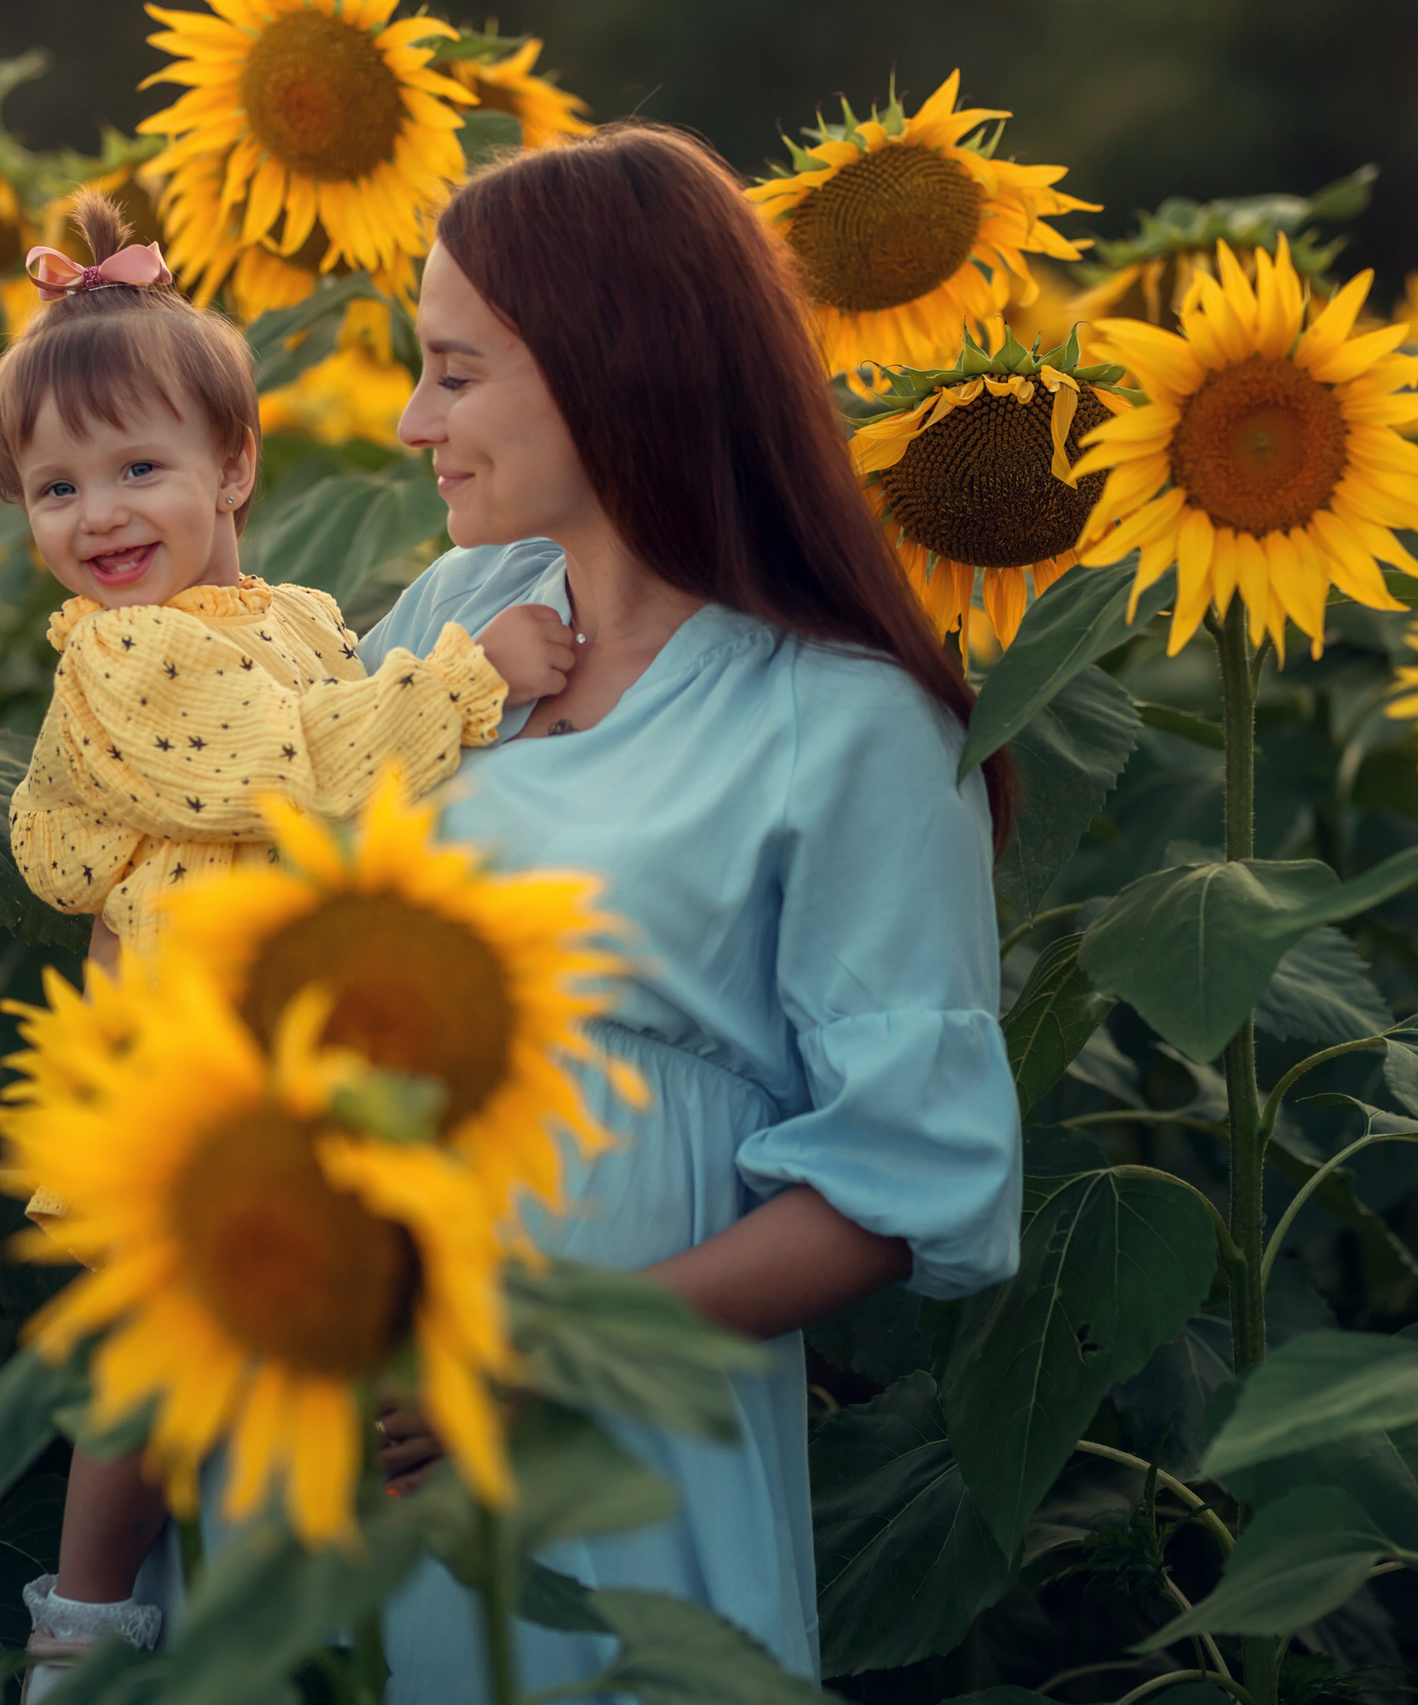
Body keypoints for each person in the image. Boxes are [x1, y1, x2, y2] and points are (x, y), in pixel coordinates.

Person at [356, 126, 1024, 1696]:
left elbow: (898, 1179)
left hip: (610, 1439)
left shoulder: (846, 720)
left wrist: (536, 1350)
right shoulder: (460, 620)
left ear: (611, 363)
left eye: (455, 373)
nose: (410, 421)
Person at [0, 189, 583, 1689]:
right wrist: (474, 679)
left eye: (136, 468)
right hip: (196, 1077)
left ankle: (352, 1584)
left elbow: (353, 752)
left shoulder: (301, 622)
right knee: (156, 1372)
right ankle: (87, 1616)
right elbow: (296, 772)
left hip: (306, 1045)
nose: (99, 516)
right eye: (54, 492)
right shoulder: (125, 651)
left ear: (236, 465)